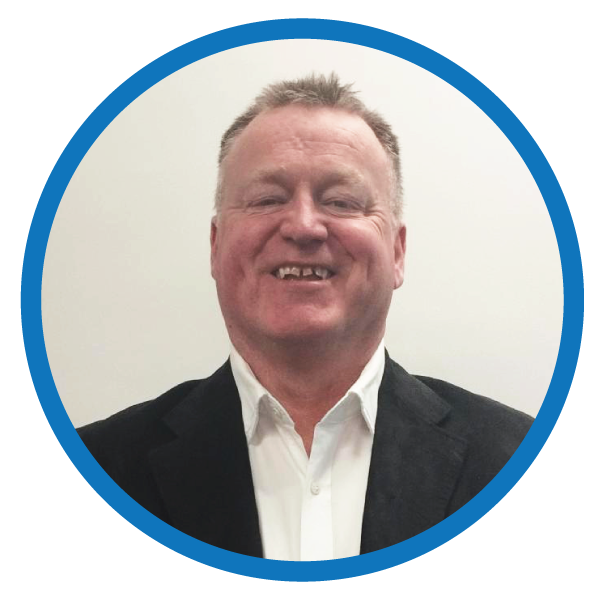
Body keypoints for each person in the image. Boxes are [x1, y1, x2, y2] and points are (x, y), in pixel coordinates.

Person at [78, 73, 533, 561]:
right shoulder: (98, 467)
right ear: (215, 246)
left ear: (397, 252)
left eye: (341, 202)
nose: (303, 226)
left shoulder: (513, 458)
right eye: (267, 199)